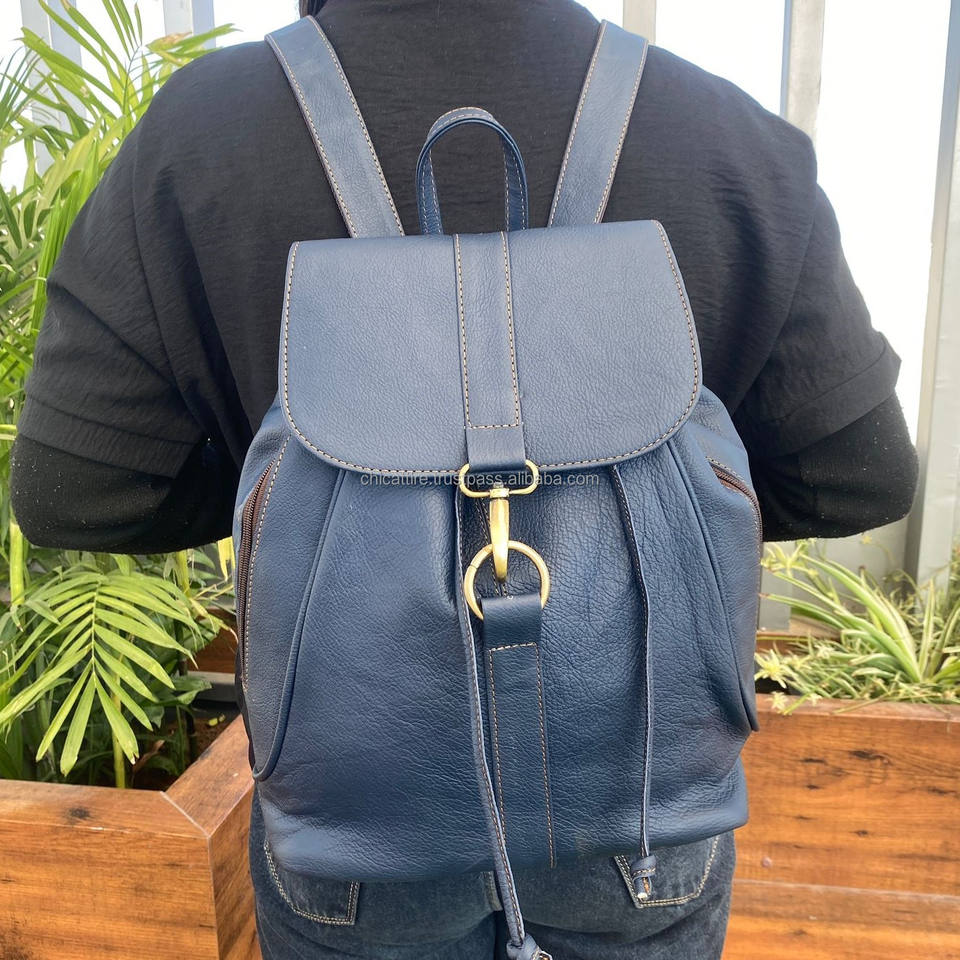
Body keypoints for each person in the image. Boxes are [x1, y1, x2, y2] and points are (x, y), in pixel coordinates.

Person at [11, 0, 918, 957]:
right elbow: (855, 478)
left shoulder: (199, 135)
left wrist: (291, 495)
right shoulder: (727, 136)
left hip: (357, 813)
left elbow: (78, 490)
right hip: (640, 803)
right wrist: (658, 499)